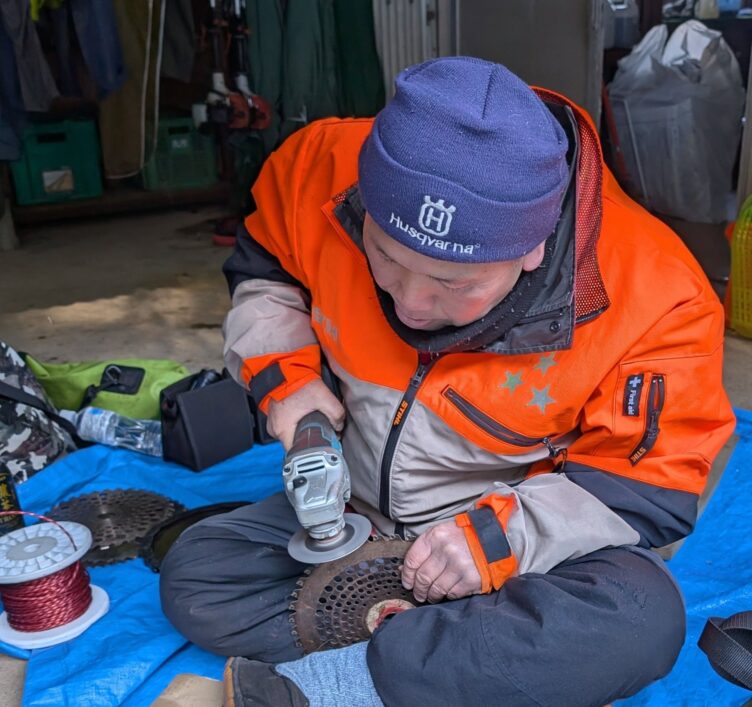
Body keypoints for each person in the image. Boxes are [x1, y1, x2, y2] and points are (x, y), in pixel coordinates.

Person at [160, 57, 735, 706]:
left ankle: (329, 687)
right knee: (197, 574)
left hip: (514, 544)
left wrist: (493, 539)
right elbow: (265, 269)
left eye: (453, 285)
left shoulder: (658, 298)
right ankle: (449, 655)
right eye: (384, 256)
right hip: (363, 519)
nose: (410, 305)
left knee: (641, 618)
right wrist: (287, 383)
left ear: (532, 249)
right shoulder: (322, 164)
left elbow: (644, 490)